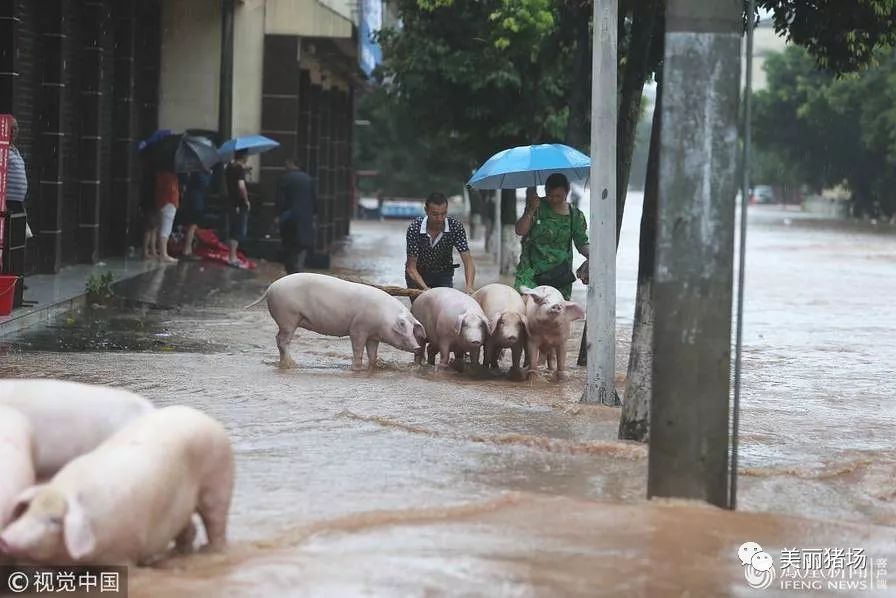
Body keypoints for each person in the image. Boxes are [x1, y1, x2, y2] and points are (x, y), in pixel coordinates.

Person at [514, 173, 589, 300]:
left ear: (567, 192)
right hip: (530, 272)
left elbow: (581, 243)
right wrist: (531, 210)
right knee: (526, 307)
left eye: (558, 196)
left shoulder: (575, 215)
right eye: (549, 195)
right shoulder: (537, 207)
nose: (553, 199)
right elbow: (520, 230)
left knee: (555, 313)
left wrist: (591, 256)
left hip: (559, 276)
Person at [405, 192, 475, 295]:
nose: (439, 219)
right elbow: (411, 268)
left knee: (446, 307)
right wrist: (425, 289)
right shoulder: (415, 228)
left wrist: (469, 287)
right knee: (420, 308)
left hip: (443, 275)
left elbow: (468, 260)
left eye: (443, 214)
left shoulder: (455, 227)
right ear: (426, 211)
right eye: (435, 214)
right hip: (418, 275)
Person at [275, 157, 315, 274]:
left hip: (289, 218)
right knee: (302, 245)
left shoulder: (284, 179)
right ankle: (299, 268)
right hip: (305, 217)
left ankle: (291, 271)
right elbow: (314, 200)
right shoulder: (308, 179)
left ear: (292, 164)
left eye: (286, 163)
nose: (285, 166)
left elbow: (280, 200)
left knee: (289, 245)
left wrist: (277, 216)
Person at [225, 149, 251, 268]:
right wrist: (246, 200)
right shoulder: (240, 169)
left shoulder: (229, 167)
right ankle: (232, 257)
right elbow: (241, 186)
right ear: (243, 156)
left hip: (230, 201)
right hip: (238, 204)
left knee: (232, 229)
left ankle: (232, 255)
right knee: (237, 229)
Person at [180, 168, 212, 260]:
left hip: (194, 200)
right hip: (196, 202)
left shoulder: (195, 172)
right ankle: (187, 250)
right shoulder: (200, 173)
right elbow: (204, 184)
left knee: (192, 225)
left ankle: (188, 248)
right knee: (192, 225)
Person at [154, 168, 181, 263]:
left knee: (161, 226)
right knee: (166, 228)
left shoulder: (159, 174)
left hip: (161, 201)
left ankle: (160, 251)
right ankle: (163, 254)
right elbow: (172, 190)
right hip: (170, 200)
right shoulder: (172, 177)